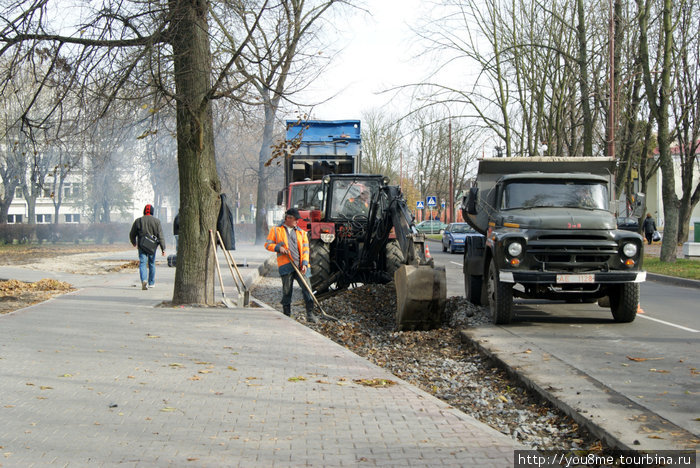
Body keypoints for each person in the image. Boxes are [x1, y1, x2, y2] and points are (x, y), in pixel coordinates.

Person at [264, 208, 318, 323]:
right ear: (287, 218)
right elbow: (267, 245)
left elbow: (305, 250)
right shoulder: (276, 230)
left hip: (301, 266)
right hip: (286, 265)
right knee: (287, 291)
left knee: (307, 290)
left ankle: (310, 314)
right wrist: (279, 248)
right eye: (295, 219)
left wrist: (304, 263)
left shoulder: (302, 233)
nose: (297, 222)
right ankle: (287, 314)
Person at [129, 204, 166, 290]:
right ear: (152, 212)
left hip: (142, 245)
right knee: (151, 263)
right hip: (152, 246)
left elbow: (132, 234)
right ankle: (151, 283)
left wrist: (134, 242)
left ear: (144, 211)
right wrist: (163, 248)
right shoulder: (157, 221)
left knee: (142, 263)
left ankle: (144, 280)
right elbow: (160, 236)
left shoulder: (138, 221)